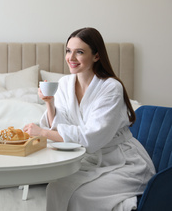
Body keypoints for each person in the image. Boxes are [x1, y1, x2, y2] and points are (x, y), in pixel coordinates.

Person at [23, 27, 155, 211]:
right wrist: (49, 103)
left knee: (80, 195)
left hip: (123, 163)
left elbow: (90, 138)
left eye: (80, 52)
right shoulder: (64, 84)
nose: (71, 57)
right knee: (56, 187)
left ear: (96, 56)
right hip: (91, 160)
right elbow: (61, 127)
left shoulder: (111, 88)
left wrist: (42, 132)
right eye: (68, 51)